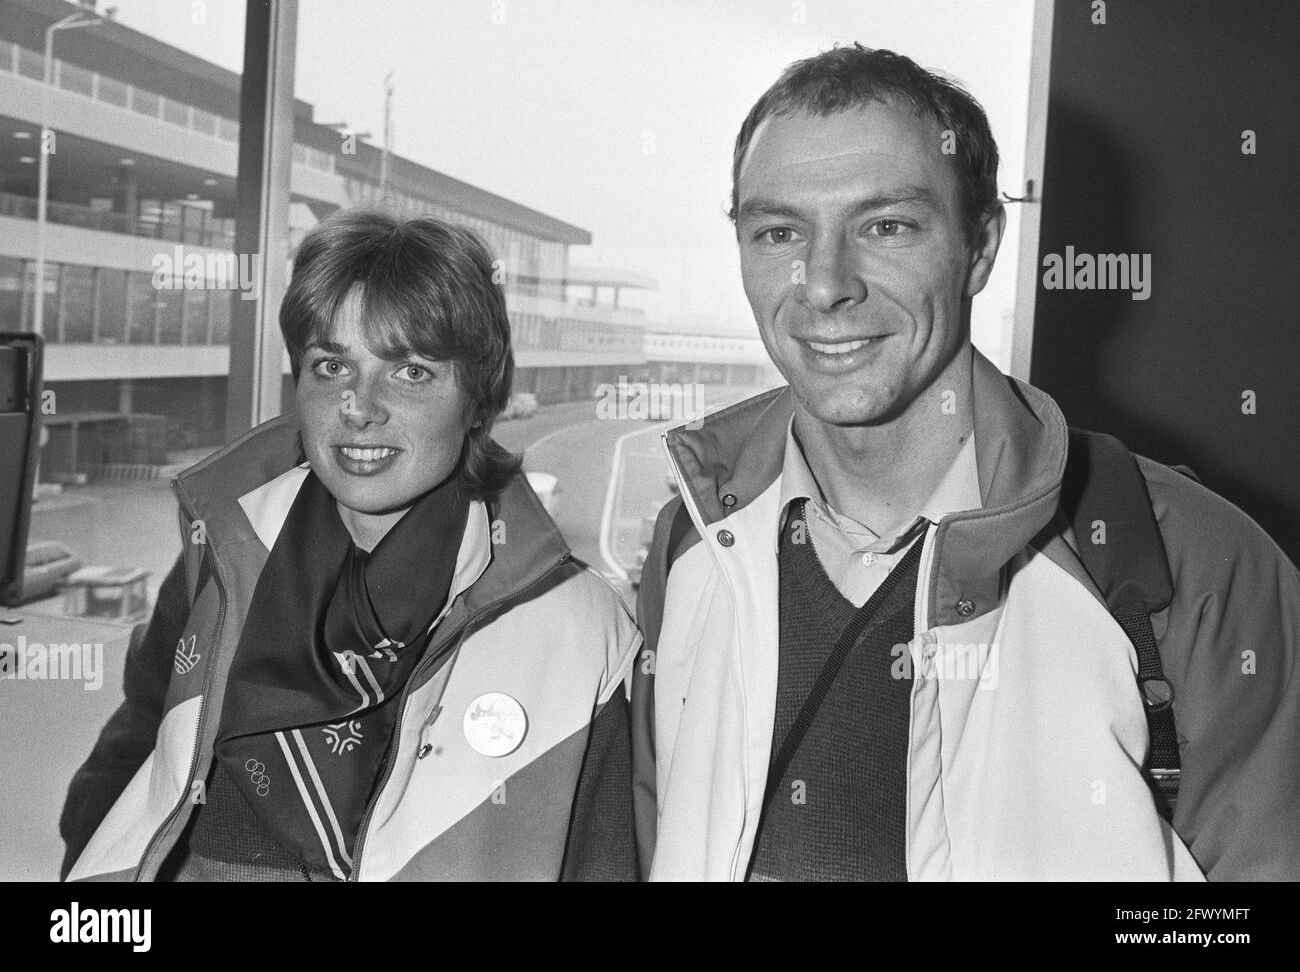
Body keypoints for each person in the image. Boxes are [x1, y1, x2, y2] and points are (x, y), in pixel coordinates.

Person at [631, 45, 1300, 881]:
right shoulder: (690, 541)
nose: (825, 282)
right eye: (779, 232)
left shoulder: (1187, 559)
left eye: (887, 226)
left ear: (980, 245)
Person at [61, 207, 640, 881]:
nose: (359, 406)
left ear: (478, 399)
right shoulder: (219, 562)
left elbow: (603, 861)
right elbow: (124, 767)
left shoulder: (576, 627)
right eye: (332, 365)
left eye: (411, 372)